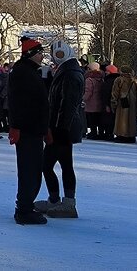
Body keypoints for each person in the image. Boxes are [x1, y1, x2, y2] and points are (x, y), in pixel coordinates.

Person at [37, 42, 85, 219]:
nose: (55, 56)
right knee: (64, 164)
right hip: (65, 127)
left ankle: (58, 200)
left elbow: (67, 104)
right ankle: (64, 201)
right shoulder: (69, 70)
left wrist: (59, 128)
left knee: (47, 165)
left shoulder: (70, 73)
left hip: (63, 127)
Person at [8, 37, 50, 225]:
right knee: (29, 170)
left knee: (33, 169)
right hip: (27, 129)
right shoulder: (23, 72)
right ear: (31, 55)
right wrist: (16, 126)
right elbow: (17, 102)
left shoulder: (29, 71)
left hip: (33, 127)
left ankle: (26, 204)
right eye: (40, 53)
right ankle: (23, 209)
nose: (42, 57)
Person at [111, 65, 137, 143]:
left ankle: (122, 135)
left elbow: (115, 92)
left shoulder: (119, 79)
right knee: (131, 119)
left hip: (122, 101)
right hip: (132, 102)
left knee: (122, 119)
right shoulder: (135, 80)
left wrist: (113, 102)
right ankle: (131, 135)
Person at [83, 61, 105, 140]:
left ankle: (93, 133)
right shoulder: (102, 78)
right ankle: (101, 133)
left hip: (91, 103)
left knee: (92, 120)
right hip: (100, 102)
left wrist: (83, 99)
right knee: (99, 120)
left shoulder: (89, 79)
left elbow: (88, 92)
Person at [101, 64, 120, 141]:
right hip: (114, 103)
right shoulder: (117, 80)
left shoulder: (108, 81)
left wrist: (107, 104)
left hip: (108, 103)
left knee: (108, 119)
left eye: (107, 71)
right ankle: (110, 133)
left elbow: (106, 93)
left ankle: (109, 134)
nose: (105, 72)